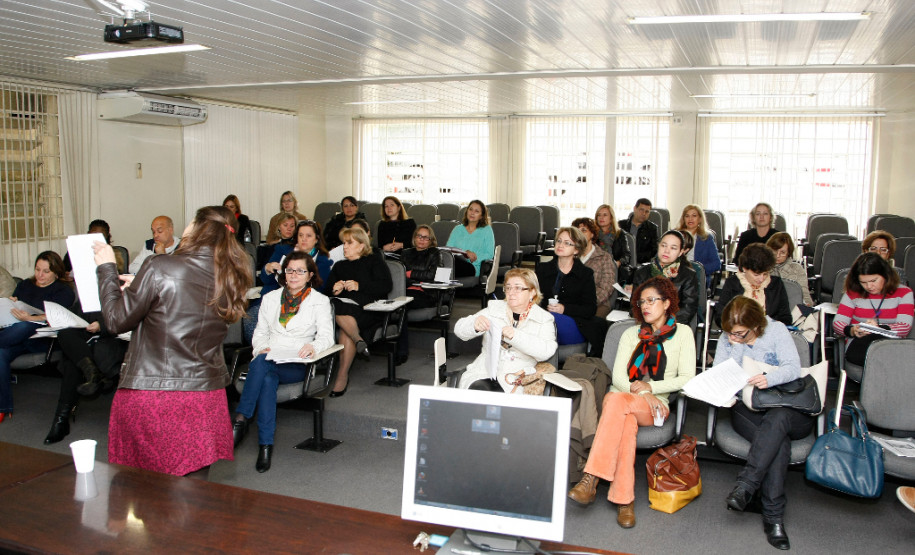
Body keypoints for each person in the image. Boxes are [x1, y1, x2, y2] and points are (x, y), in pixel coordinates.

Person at [93, 206, 252, 476]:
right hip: (205, 396)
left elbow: (116, 321)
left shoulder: (159, 265)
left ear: (198, 228)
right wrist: (141, 286)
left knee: (143, 493)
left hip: (155, 393)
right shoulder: (231, 278)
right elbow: (189, 302)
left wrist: (106, 269)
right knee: (192, 493)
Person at [568, 277, 695, 529]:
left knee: (617, 402)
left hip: (655, 404)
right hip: (622, 399)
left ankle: (591, 477)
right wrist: (641, 392)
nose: (645, 306)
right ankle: (624, 500)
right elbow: (618, 377)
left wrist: (651, 389)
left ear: (667, 302)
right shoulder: (629, 334)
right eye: (641, 302)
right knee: (624, 423)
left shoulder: (683, 334)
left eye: (651, 300)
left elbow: (687, 378)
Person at [716, 296, 811, 551]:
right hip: (750, 408)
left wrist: (770, 378)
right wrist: (736, 345)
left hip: (789, 409)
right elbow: (720, 373)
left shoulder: (776, 330)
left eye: (739, 333)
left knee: (778, 420)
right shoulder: (730, 338)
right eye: (729, 332)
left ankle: (746, 485)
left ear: (756, 326)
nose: (732, 336)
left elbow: (793, 368)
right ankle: (774, 517)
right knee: (777, 442)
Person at [232, 252, 334, 472]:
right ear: (284, 273)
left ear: (309, 275)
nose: (294, 275)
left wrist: (313, 347)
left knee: (261, 365)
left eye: (300, 271)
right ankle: (265, 446)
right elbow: (260, 333)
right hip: (271, 356)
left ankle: (241, 419)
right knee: (266, 377)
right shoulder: (270, 299)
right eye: (290, 270)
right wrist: (262, 347)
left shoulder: (320, 301)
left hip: (297, 363)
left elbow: (327, 337)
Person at [453, 268, 557, 392]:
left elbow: (546, 352)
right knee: (480, 391)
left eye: (518, 288)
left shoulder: (544, 319)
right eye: (508, 288)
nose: (511, 293)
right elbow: (459, 329)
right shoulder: (494, 309)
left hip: (517, 376)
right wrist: (473, 325)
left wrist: (516, 336)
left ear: (532, 292)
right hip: (484, 372)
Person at [0, 251, 75, 422]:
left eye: (46, 271)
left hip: (42, 339)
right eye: (37, 269)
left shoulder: (63, 291)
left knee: (25, 325)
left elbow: (57, 316)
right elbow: (16, 306)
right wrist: (11, 303)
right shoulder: (25, 285)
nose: (39, 275)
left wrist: (31, 318)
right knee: (1, 353)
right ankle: (3, 407)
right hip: (15, 337)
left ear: (56, 272)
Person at [42, 299, 128, 444]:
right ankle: (93, 373)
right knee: (65, 334)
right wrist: (57, 320)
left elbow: (131, 319)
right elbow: (72, 316)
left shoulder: (120, 291)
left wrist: (102, 326)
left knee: (72, 362)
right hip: (85, 341)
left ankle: (61, 421)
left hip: (110, 342)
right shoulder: (86, 294)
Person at [324, 226, 392, 396]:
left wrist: (360, 286)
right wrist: (335, 289)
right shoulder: (339, 266)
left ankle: (342, 375)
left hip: (367, 309)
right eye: (343, 243)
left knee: (343, 317)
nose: (344, 247)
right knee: (337, 305)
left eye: (349, 243)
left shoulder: (374, 261)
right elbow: (326, 292)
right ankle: (357, 342)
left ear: (362, 245)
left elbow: (385, 286)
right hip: (343, 310)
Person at [245, 220, 334, 343]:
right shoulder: (282, 250)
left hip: (302, 304)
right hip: (274, 298)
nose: (304, 239)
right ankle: (263, 351)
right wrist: (267, 269)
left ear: (316, 239)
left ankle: (279, 352)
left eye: (308, 236)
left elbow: (320, 289)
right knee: (251, 321)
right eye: (300, 235)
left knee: (288, 329)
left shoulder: (323, 261)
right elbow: (266, 280)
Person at [833, 253, 913, 366]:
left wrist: (877, 328)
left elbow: (904, 326)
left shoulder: (904, 293)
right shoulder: (852, 294)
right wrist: (853, 330)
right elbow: (838, 324)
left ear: (885, 275)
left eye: (873, 281)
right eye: (863, 282)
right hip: (860, 343)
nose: (869, 286)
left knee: (888, 357)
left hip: (891, 343)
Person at [536, 227, 604, 356]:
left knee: (551, 319)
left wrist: (564, 309)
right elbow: (535, 299)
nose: (561, 245)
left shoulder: (585, 274)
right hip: (545, 321)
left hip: (574, 324)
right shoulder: (543, 269)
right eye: (559, 241)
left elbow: (590, 309)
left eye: (567, 243)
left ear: (576, 249)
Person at [630, 230, 699, 325]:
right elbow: (634, 305)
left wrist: (663, 323)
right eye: (663, 245)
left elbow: (688, 310)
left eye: (673, 248)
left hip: (675, 325)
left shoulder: (688, 275)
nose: (667, 251)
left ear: (680, 252)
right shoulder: (642, 273)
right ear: (658, 246)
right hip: (645, 324)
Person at [397, 225, 443, 365]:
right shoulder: (405, 253)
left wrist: (411, 273)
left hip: (425, 293)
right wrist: (417, 277)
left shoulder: (435, 253)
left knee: (402, 307)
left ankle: (401, 352)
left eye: (426, 237)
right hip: (406, 290)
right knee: (397, 306)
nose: (422, 240)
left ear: (431, 240)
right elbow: (399, 275)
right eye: (419, 236)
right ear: (414, 237)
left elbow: (434, 274)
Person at [717, 243, 792, 326]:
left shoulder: (776, 284)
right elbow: (721, 317)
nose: (761, 279)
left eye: (765, 274)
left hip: (769, 333)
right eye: (756, 275)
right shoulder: (732, 284)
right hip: (738, 333)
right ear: (744, 268)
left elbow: (786, 317)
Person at [573, 217, 617, 318]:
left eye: (584, 230)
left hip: (598, 303)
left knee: (588, 322)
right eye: (577, 231)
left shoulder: (604, 257)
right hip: (572, 302)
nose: (580, 234)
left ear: (592, 234)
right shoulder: (571, 256)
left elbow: (606, 288)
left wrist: (586, 301)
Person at [446, 200, 496, 278]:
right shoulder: (457, 229)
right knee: (440, 260)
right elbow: (448, 250)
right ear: (467, 211)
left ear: (481, 216)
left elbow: (490, 254)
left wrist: (473, 256)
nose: (472, 213)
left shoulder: (487, 230)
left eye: (476, 211)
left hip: (473, 266)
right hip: (455, 263)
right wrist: (465, 254)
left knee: (450, 267)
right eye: (470, 209)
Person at [676, 204, 721, 284]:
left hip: (697, 277)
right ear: (683, 219)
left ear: (700, 219)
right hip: (676, 274)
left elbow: (716, 264)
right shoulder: (675, 235)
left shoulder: (706, 237)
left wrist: (697, 269)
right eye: (687, 216)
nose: (690, 219)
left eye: (694, 216)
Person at [767, 232, 813, 306]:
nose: (778, 255)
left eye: (782, 252)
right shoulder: (762, 268)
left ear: (788, 253)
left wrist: (806, 305)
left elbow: (806, 297)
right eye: (775, 250)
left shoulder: (797, 269)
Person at [594, 204, 631, 279]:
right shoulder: (593, 234)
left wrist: (618, 263)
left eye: (605, 215)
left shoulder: (620, 234)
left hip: (614, 268)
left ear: (611, 218)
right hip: (596, 267)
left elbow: (627, 256)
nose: (601, 217)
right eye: (599, 215)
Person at [620, 198, 659, 265]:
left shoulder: (652, 228)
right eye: (641, 210)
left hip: (641, 264)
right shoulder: (621, 225)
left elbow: (654, 250)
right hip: (623, 263)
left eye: (647, 211)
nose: (644, 214)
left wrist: (635, 257)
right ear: (635, 209)